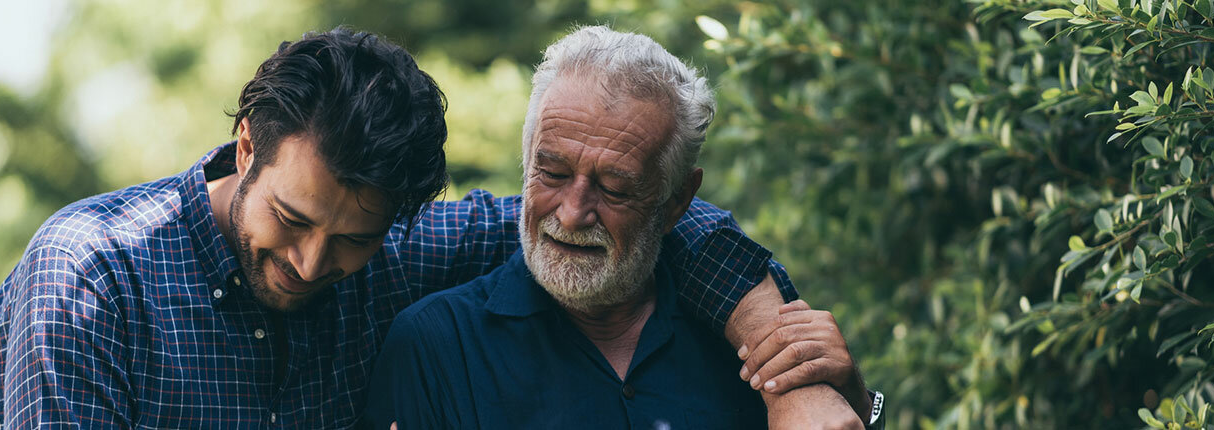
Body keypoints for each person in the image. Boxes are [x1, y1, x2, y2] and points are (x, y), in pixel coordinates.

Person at [0, 27, 873, 428]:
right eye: (291, 219)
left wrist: (782, 362)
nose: (311, 262)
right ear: (245, 145)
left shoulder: (396, 257)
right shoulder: (90, 277)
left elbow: (637, 225)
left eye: (354, 239)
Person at [366, 26, 879, 429]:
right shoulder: (435, 344)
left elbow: (844, 418)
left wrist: (857, 401)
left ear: (677, 199)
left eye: (614, 188)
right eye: (553, 173)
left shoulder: (752, 325)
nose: (571, 213)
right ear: (526, 163)